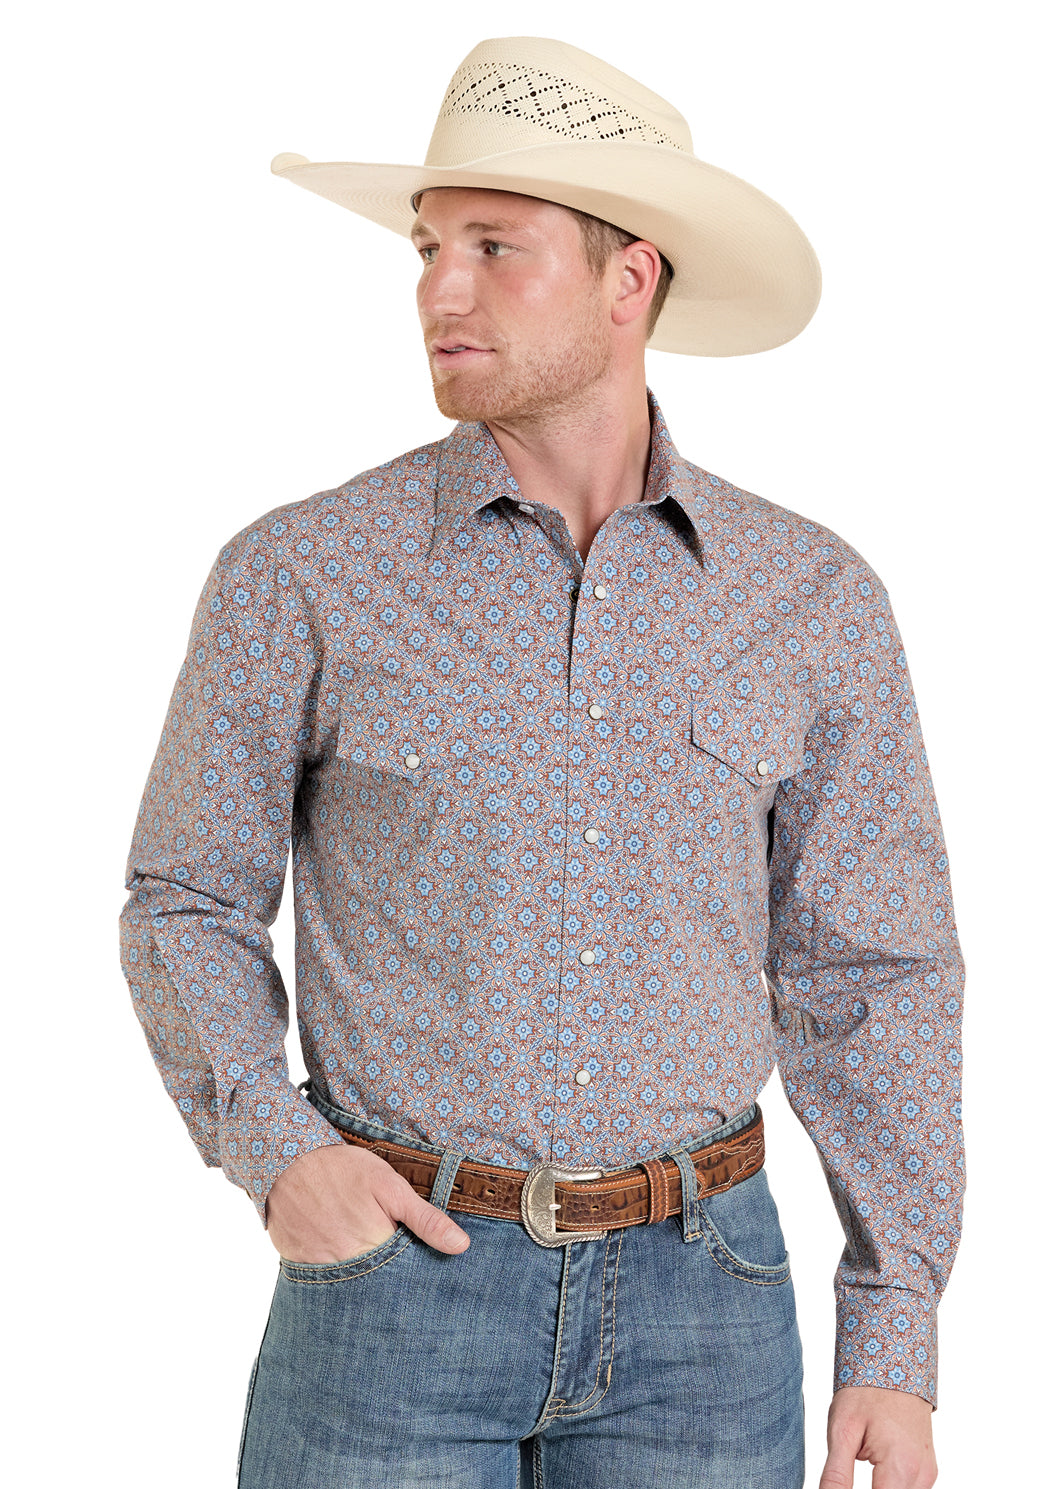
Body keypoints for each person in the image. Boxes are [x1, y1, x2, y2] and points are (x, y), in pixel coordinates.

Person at [119, 35, 963, 1489]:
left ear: (629, 282)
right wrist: (279, 1148)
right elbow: (183, 896)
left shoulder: (809, 595)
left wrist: (895, 1329)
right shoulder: (302, 572)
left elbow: (872, 972)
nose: (441, 289)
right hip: (396, 1291)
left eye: (494, 248)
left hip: (710, 1304)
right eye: (430, 247)